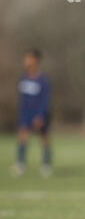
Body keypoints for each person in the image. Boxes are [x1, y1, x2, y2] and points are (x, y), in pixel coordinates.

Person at [11, 49, 52, 178]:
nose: (26, 61)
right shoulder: (23, 78)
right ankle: (21, 164)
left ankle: (46, 164)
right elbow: (23, 99)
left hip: (40, 114)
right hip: (26, 114)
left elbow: (45, 100)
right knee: (23, 137)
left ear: (36, 60)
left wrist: (41, 115)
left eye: (29, 58)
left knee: (44, 138)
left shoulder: (43, 80)